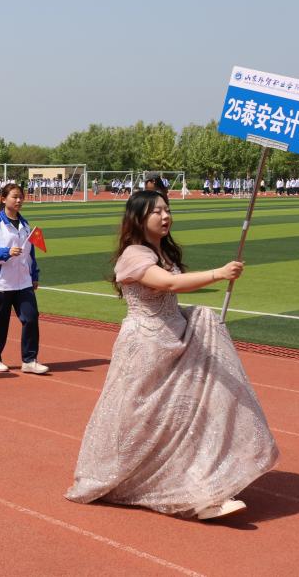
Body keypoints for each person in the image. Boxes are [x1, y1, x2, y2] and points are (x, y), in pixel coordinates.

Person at [65, 190, 278, 520]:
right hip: (146, 348)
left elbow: (171, 292)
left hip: (177, 341)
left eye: (167, 209)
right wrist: (218, 274)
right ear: (139, 219)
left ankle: (203, 490)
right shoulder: (133, 255)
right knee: (141, 420)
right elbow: (167, 284)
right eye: (157, 211)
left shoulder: (162, 251)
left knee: (188, 416)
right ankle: (124, 479)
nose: (165, 216)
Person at [0, 183, 46, 374]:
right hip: (1, 283)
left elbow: (30, 253)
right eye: (14, 197)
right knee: (0, 322)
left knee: (31, 317)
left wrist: (34, 275)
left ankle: (29, 360)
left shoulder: (25, 225)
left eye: (21, 197)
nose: (19, 200)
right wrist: (6, 252)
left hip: (23, 281)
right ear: (3, 199)